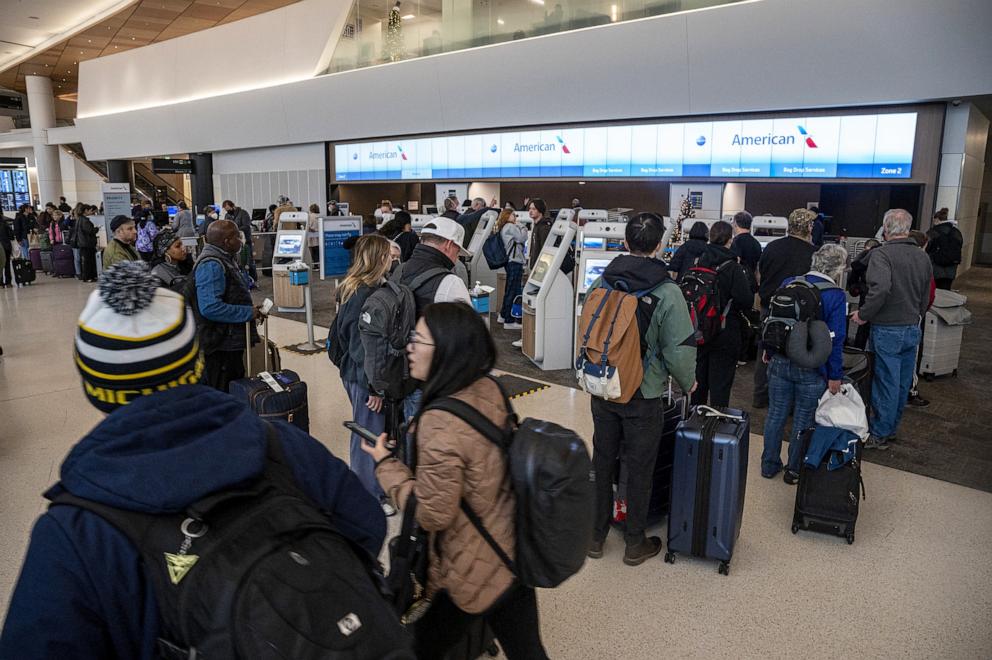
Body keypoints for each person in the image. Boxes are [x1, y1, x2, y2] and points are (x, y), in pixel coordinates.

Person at [0, 262, 386, 659]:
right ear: (196, 364)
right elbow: (366, 524)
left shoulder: (77, 530)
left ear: (95, 388)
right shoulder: (282, 445)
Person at [362, 302, 550, 659]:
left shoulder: (440, 422)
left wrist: (386, 464)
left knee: (421, 649)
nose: (410, 347)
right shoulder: (487, 387)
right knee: (528, 650)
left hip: (468, 568)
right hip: (509, 549)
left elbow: (433, 514)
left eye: (418, 340)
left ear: (447, 350)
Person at [585, 213, 697, 566]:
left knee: (602, 462)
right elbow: (677, 347)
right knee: (641, 466)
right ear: (660, 244)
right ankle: (634, 542)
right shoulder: (667, 291)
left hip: (603, 387)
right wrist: (687, 381)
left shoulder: (602, 282)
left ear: (626, 241)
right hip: (643, 393)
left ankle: (595, 536)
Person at [761, 243, 848, 483]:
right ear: (838, 269)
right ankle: (794, 469)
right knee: (803, 418)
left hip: (780, 360)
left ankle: (768, 465)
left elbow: (774, 318)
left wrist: (768, 350)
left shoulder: (789, 282)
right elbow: (836, 339)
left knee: (775, 414)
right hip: (812, 367)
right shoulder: (835, 295)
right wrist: (835, 375)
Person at [851, 209, 933, 450]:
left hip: (887, 328)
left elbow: (881, 289)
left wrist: (864, 314)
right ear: (908, 228)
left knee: (885, 382)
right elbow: (926, 293)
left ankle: (880, 433)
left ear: (885, 229)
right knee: (901, 383)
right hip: (911, 327)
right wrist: (917, 314)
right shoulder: (921, 256)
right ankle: (890, 428)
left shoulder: (881, 255)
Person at [329, 234, 397, 516]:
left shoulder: (353, 287)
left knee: (366, 428)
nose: (393, 258)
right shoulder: (366, 294)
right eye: (389, 254)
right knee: (368, 432)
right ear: (378, 259)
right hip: (362, 376)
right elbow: (363, 348)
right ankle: (368, 494)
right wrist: (374, 388)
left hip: (353, 371)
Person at [395, 218, 472, 421]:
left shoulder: (399, 270)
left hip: (402, 374)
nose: (457, 258)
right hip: (434, 385)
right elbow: (468, 340)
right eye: (458, 251)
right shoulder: (450, 283)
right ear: (449, 244)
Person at [751, 208, 817, 408]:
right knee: (796, 354)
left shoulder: (772, 247)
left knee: (766, 350)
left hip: (770, 306)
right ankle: (788, 402)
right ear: (809, 227)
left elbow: (759, 274)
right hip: (799, 311)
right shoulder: (813, 253)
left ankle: (760, 395)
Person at [190, 220, 263, 393]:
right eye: (237, 236)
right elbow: (210, 307)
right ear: (227, 241)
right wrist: (247, 313)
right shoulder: (212, 265)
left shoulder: (224, 259)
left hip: (227, 340)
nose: (241, 240)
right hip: (220, 344)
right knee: (223, 388)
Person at [690, 221, 753, 407]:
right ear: (729, 240)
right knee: (720, 386)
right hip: (725, 331)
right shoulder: (733, 267)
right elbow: (746, 300)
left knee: (698, 383)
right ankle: (714, 427)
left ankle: (694, 425)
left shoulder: (698, 260)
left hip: (698, 329)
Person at [846, 238, 881, 350]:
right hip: (879, 297)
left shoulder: (862, 259)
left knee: (862, 329)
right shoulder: (884, 257)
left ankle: (858, 352)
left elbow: (854, 272)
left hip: (865, 293)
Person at [496, 208, 527, 330]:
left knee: (509, 289)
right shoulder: (510, 226)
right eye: (514, 215)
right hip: (515, 261)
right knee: (513, 291)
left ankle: (503, 315)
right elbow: (521, 238)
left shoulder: (504, 227)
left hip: (509, 261)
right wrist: (523, 228)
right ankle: (509, 321)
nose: (516, 217)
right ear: (508, 216)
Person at [926, 208, 963, 289]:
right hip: (951, 266)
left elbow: (927, 247)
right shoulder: (956, 232)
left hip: (936, 266)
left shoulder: (934, 231)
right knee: (946, 289)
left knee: (935, 290)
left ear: (936, 219)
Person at [149, 229, 192, 293]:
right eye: (178, 246)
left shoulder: (185, 263)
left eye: (182, 244)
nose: (183, 248)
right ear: (165, 252)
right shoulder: (158, 274)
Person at [223, 199, 256, 280]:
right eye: (226, 210)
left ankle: (253, 278)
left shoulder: (243, 213)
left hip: (245, 240)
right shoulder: (227, 216)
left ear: (232, 206)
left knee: (249, 260)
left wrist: (235, 229)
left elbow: (246, 226)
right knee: (237, 261)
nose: (227, 211)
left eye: (228, 209)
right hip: (233, 241)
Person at [730, 211, 761, 291]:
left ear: (735, 224)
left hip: (739, 284)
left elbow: (736, 262)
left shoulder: (736, 242)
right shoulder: (756, 243)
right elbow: (758, 267)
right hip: (751, 284)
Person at [75, 207, 99, 282]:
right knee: (89, 261)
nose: (91, 212)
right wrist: (97, 229)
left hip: (83, 243)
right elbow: (90, 231)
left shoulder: (79, 219)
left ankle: (88, 276)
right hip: (87, 243)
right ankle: (88, 277)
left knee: (86, 261)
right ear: (86, 210)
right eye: (90, 210)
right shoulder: (85, 220)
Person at [527, 198, 551, 269]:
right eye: (530, 208)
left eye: (534, 209)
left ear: (540, 210)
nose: (530, 211)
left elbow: (544, 249)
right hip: (535, 265)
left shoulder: (544, 227)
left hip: (540, 267)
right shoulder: (536, 226)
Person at [0, 212, 14, 287]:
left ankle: (0, 283)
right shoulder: (5, 224)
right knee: (7, 264)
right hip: (6, 246)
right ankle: (8, 283)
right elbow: (11, 236)